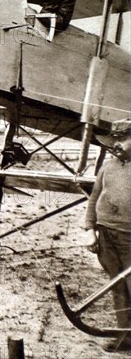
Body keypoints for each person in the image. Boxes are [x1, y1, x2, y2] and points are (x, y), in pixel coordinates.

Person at [84, 118, 131, 352]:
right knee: (117, 286)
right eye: (114, 140)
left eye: (123, 139)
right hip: (105, 236)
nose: (116, 144)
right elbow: (93, 198)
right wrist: (90, 230)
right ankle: (125, 336)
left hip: (129, 237)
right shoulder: (108, 167)